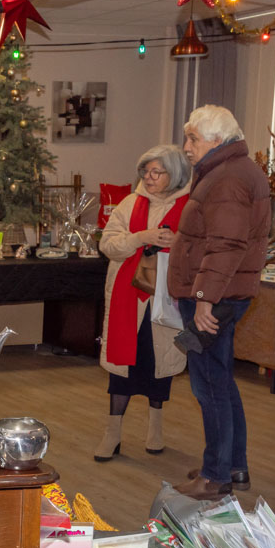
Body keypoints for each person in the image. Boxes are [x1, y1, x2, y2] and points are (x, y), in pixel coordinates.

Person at [167, 105, 271, 500]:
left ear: (216, 139)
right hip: (222, 293)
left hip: (214, 296)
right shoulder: (231, 171)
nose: (186, 146)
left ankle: (214, 476)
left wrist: (204, 299)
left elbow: (226, 245)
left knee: (209, 385)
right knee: (221, 382)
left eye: (193, 138)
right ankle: (233, 466)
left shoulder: (227, 178)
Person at [94, 145, 192, 461]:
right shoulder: (130, 203)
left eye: (156, 172)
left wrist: (178, 243)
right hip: (128, 298)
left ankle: (156, 428)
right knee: (122, 368)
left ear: (175, 174)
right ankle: (112, 434)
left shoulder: (191, 207)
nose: (148, 178)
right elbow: (108, 244)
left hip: (166, 299)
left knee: (158, 364)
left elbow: (200, 250)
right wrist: (142, 237)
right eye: (145, 172)